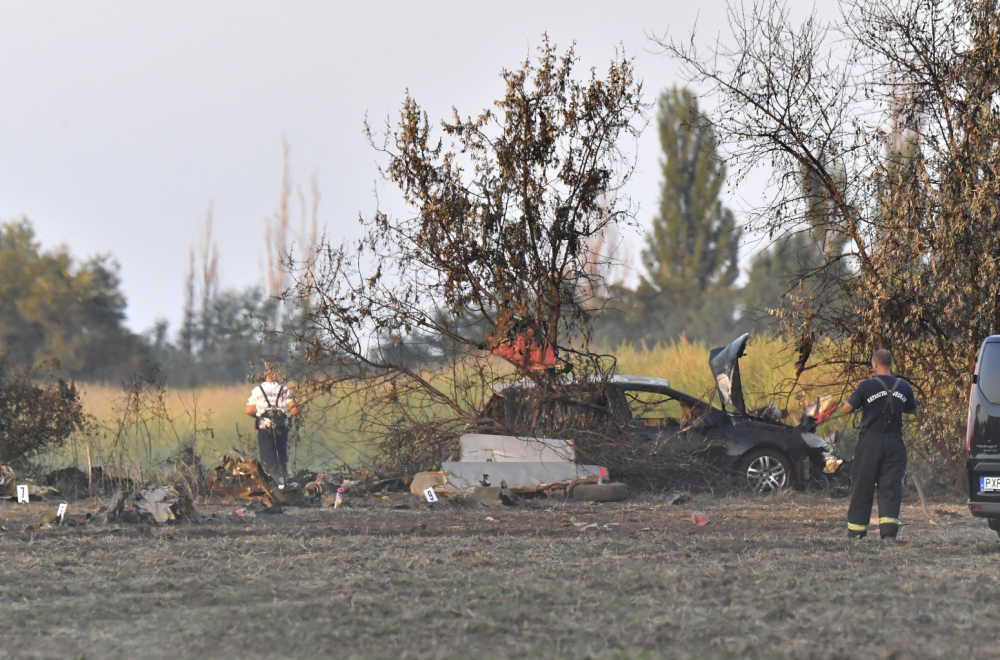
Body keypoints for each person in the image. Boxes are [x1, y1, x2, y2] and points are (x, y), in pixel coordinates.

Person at [840, 349, 919, 539]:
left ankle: (857, 533)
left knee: (863, 486)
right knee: (891, 487)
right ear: (890, 364)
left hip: (870, 443)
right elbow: (914, 410)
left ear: (874, 364)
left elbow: (846, 409)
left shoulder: (866, 386)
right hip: (894, 442)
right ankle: (889, 534)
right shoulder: (904, 386)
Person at [245, 364, 299, 486]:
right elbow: (294, 409)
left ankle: (272, 483)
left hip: (264, 426)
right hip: (281, 425)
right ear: (277, 376)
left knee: (267, 455)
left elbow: (248, 410)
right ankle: (285, 479)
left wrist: (259, 416)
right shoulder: (284, 390)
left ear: (265, 377)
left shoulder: (257, 390)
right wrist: (297, 417)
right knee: (281, 453)